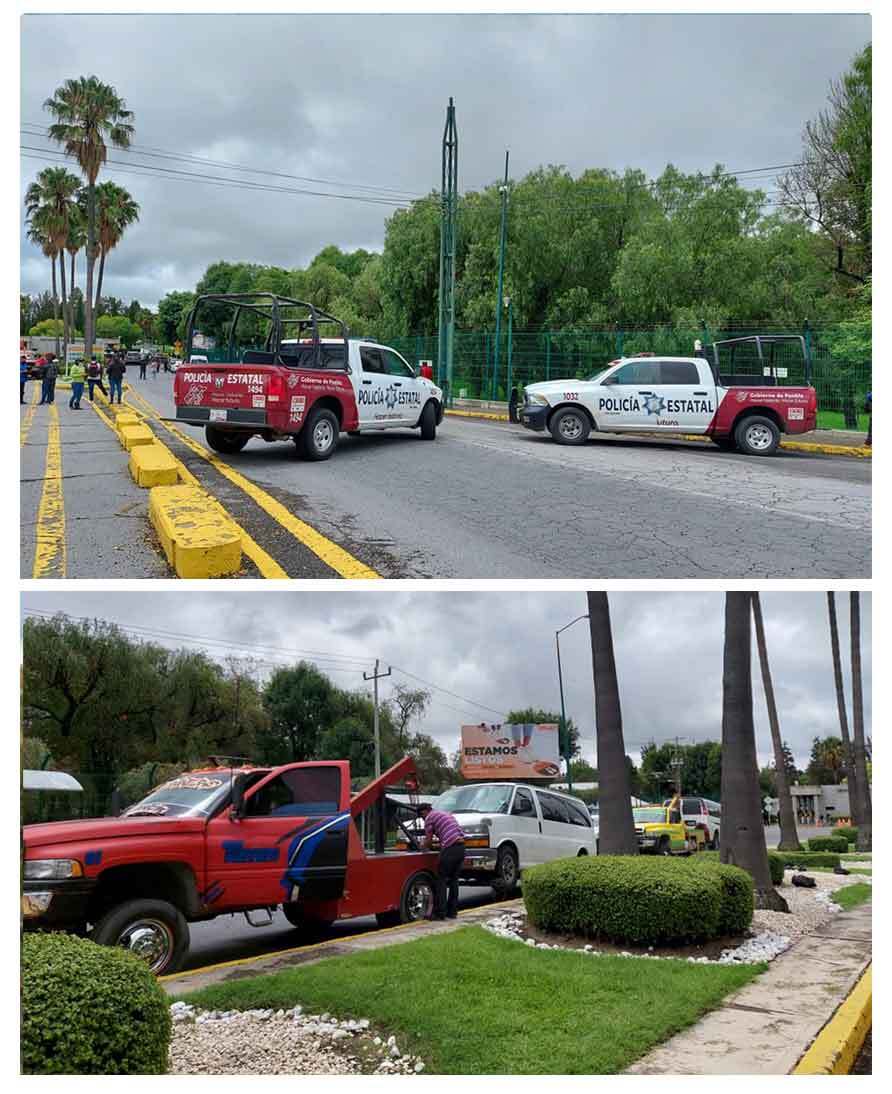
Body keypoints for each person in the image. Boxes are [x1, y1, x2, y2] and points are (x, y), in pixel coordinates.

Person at [418, 801, 466, 920]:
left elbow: (428, 841)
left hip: (451, 848)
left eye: (421, 816)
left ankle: (440, 914)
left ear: (425, 812)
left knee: (441, 879)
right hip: (461, 848)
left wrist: (421, 847)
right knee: (454, 880)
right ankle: (452, 912)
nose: (423, 819)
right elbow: (447, 834)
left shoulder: (429, 818)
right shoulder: (444, 814)